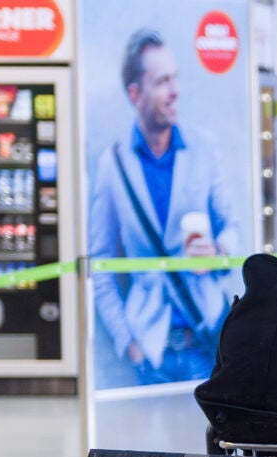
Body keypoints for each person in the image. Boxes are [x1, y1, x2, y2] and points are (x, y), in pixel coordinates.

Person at [89, 29, 240, 386]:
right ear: (135, 94)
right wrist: (130, 345)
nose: (175, 91)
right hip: (151, 353)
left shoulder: (203, 148)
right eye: (162, 82)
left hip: (206, 338)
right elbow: (100, 266)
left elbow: (232, 227)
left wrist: (218, 252)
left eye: (175, 78)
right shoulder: (114, 164)